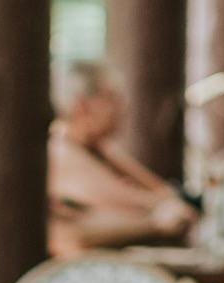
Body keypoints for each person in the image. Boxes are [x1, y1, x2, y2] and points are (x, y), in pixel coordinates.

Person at [48, 58, 199, 255]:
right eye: (111, 97)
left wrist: (165, 202)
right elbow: (133, 203)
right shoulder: (61, 151)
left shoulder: (97, 148)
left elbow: (162, 195)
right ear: (82, 106)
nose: (122, 107)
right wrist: (157, 216)